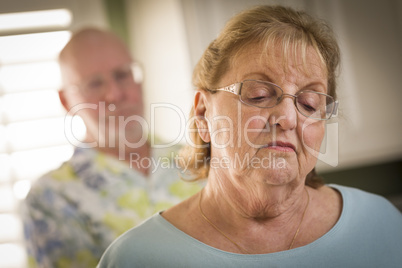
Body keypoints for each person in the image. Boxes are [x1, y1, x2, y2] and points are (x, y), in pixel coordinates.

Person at [98, 5, 402, 268]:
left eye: (309, 103)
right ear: (204, 114)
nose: (288, 117)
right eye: (258, 95)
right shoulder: (136, 258)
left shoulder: (382, 224)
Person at [21, 28, 200, 268]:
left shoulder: (201, 160)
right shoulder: (51, 198)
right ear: (66, 101)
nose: (115, 94)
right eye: (94, 84)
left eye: (123, 74)